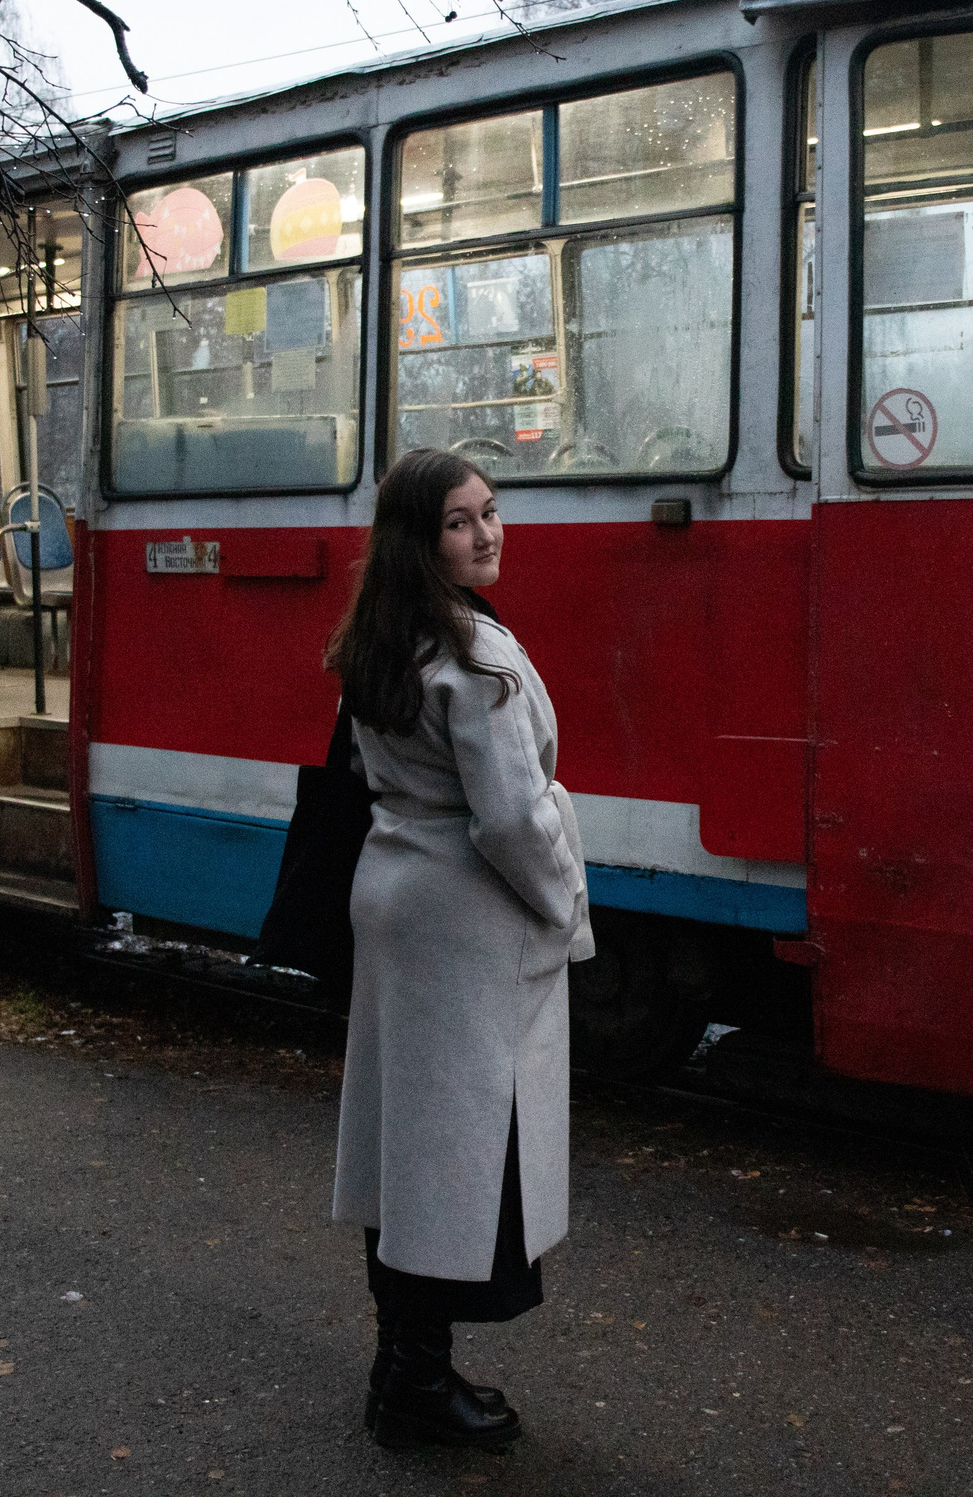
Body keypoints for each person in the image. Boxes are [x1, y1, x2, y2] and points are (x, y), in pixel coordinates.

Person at [326, 447, 594, 1450]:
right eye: (458, 521)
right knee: (458, 1164)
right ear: (419, 538)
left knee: (407, 1154)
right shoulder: (476, 661)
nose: (486, 533)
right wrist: (566, 909)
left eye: (490, 512)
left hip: (394, 899)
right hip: (466, 926)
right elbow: (513, 822)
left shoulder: (377, 643)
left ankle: (397, 1372)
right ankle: (416, 1391)